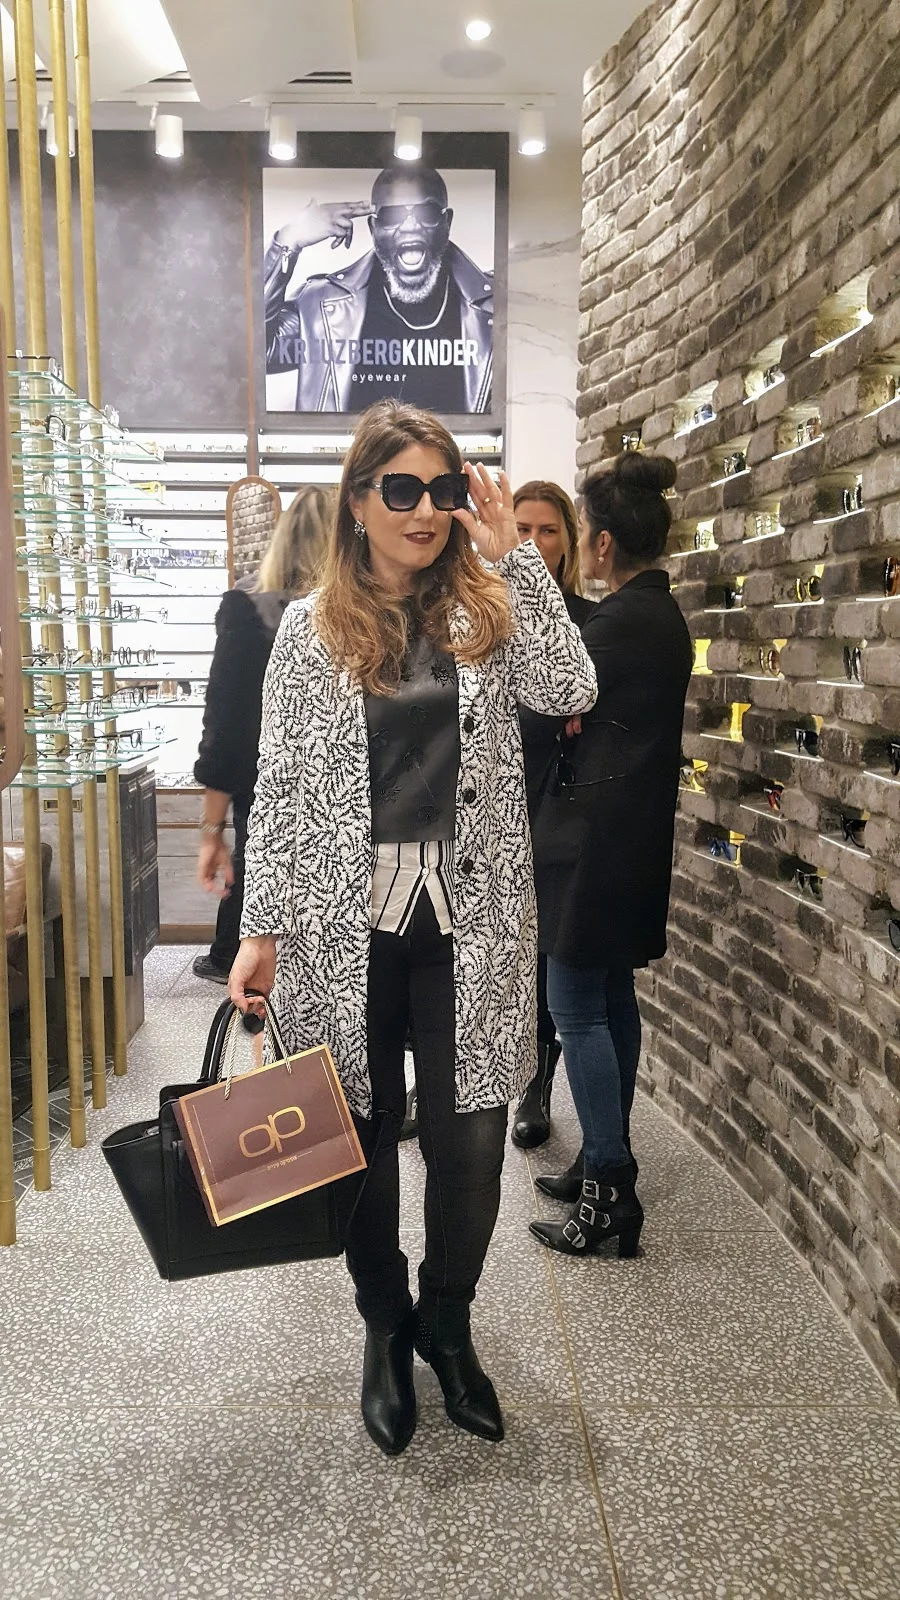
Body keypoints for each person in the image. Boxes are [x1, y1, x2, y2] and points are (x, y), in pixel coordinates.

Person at [228, 400, 596, 1456]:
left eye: (441, 489)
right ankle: (385, 1325)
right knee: (356, 1131)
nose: (425, 510)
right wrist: (261, 927)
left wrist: (516, 558)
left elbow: (571, 686)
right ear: (359, 502)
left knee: (471, 1137)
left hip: (471, 919)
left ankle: (448, 1320)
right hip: (341, 921)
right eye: (402, 490)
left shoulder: (487, 608)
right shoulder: (308, 630)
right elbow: (280, 787)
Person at [528, 452, 692, 1259]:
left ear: (598, 544)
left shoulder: (619, 623)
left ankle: (609, 1187)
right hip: (626, 838)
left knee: (575, 1008)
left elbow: (549, 699)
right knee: (611, 1000)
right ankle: (601, 1158)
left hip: (592, 843)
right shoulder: (657, 615)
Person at [191, 487, 331, 983]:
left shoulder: (247, 607)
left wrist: (212, 829)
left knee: (259, 883)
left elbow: (224, 723)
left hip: (265, 786)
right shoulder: (363, 612)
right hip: (350, 795)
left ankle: (245, 973)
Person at [510, 480, 599, 1150]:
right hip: (483, 801)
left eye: (548, 530)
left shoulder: (585, 622)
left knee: (542, 950)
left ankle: (536, 1086)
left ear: (569, 540)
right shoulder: (481, 608)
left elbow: (585, 705)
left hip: (553, 803)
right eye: (523, 529)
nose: (535, 543)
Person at [264, 166, 493, 413]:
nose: (410, 226)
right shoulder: (320, 304)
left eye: (426, 213)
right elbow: (257, 354)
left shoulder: (497, 307)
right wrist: (289, 240)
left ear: (447, 222)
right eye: (392, 216)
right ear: (373, 228)